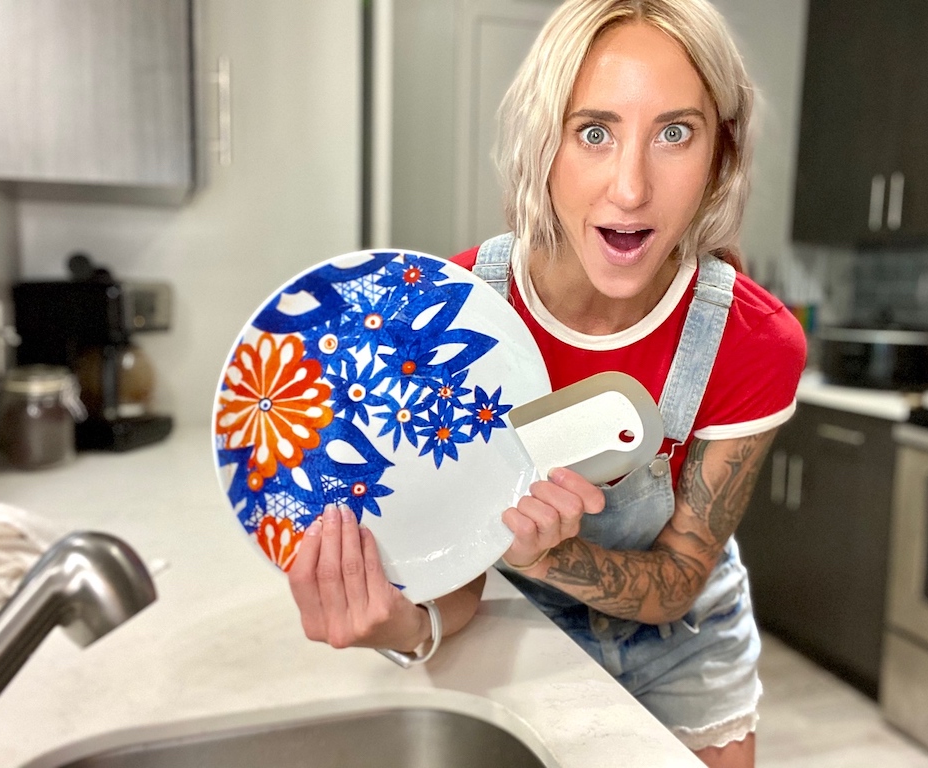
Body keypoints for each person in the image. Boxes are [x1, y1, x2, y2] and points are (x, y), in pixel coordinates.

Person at [287, 1, 806, 766]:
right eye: (594, 132)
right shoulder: (452, 316)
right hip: (512, 634)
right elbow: (458, 582)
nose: (630, 188)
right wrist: (398, 626)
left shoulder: (751, 341)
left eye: (675, 133)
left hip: (687, 655)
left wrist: (540, 553)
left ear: (720, 156)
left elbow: (674, 583)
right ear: (545, 143)